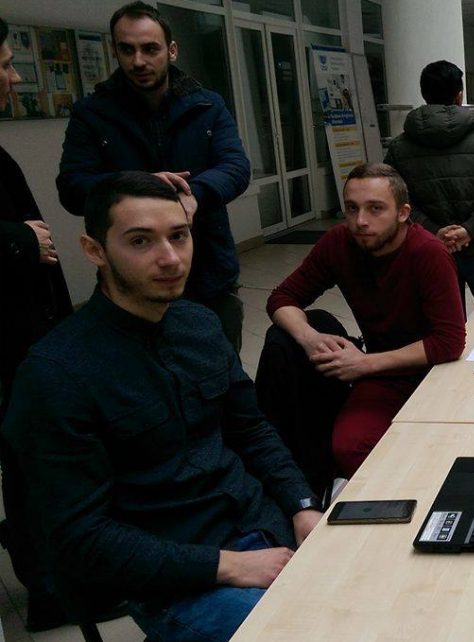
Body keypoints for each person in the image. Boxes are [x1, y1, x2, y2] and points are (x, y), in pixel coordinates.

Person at [1, 171, 321, 642]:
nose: (170, 258)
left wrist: (302, 505)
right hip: (175, 576)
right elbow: (79, 538)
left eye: (179, 236)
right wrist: (228, 566)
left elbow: (251, 430)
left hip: (263, 526)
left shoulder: (199, 325)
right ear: (94, 250)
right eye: (140, 241)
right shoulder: (56, 374)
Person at [57, 1, 250, 350]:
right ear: (115, 51)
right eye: (127, 49)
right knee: (139, 371)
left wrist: (194, 194)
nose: (138, 61)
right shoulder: (92, 113)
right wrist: (139, 187)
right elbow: (72, 187)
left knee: (219, 364)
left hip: (207, 270)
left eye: (150, 49)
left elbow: (236, 167)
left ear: (171, 50)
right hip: (130, 280)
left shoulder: (207, 104)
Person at [267, 163, 465, 479]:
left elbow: (449, 343)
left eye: (375, 209)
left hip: (437, 370)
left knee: (448, 447)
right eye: (351, 208)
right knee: (350, 446)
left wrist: (364, 364)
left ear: (403, 213)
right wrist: (309, 337)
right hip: (382, 372)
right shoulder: (339, 242)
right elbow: (282, 298)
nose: (360, 221)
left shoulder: (428, 253)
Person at [0, 16, 77, 632]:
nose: (15, 77)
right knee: (28, 460)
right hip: (9, 345)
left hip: (27, 337)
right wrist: (20, 242)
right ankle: (48, 587)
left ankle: (55, 578)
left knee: (35, 459)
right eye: (5, 65)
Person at [384, 60, 474, 311]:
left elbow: (393, 199)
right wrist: (469, 230)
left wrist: (434, 231)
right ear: (459, 95)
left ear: (424, 95)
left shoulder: (399, 147)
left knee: (446, 324)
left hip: (429, 250)